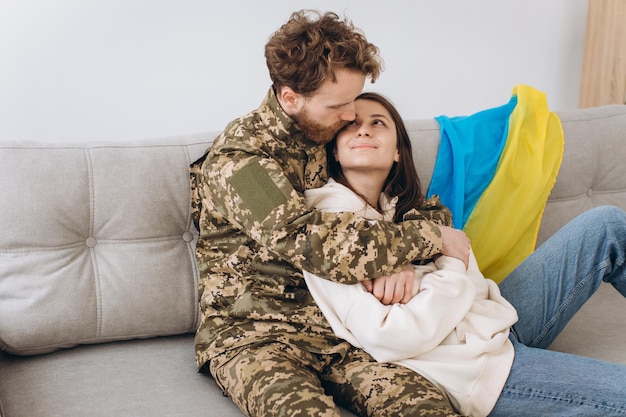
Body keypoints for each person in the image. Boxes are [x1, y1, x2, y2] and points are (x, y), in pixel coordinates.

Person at [190, 9, 464, 417]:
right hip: (256, 337)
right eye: (340, 105)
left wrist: (403, 254)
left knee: (427, 408)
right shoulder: (240, 161)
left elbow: (407, 201)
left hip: (343, 331)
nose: (352, 116)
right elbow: (307, 238)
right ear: (290, 97)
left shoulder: (329, 135)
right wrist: (422, 242)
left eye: (354, 100)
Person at [303, 91, 626, 417]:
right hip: (476, 368)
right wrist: (451, 260)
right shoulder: (328, 228)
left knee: (607, 224)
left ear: (398, 151)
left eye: (378, 123)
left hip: (494, 321)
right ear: (334, 149)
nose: (364, 130)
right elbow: (388, 335)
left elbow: (469, 269)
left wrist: (434, 254)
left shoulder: (404, 210)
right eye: (352, 125)